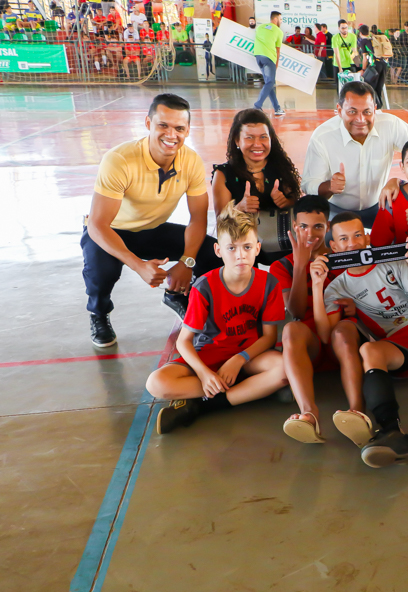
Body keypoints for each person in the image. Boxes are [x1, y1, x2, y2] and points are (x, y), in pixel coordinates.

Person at [82, 94, 220, 347]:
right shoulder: (120, 160)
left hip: (153, 229)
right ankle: (99, 313)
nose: (171, 134)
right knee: (103, 272)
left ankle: (180, 295)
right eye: (163, 125)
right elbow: (97, 225)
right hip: (112, 230)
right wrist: (139, 265)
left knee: (213, 252)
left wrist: (187, 261)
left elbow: (198, 218)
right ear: (148, 123)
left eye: (179, 128)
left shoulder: (190, 161)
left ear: (188, 130)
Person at [310, 213, 408, 467]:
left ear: (367, 238)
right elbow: (326, 335)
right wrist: (316, 286)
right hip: (399, 342)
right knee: (369, 350)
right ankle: (392, 431)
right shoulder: (336, 287)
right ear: (333, 247)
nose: (352, 243)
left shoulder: (392, 261)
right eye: (344, 239)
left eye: (358, 235)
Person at [146, 206, 288, 435]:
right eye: (231, 248)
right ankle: (248, 389)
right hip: (209, 355)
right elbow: (184, 341)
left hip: (249, 356)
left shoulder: (269, 283)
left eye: (247, 247)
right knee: (156, 383)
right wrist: (204, 373)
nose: (240, 255)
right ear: (218, 250)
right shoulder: (204, 286)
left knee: (285, 369)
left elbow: (269, 337)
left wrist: (239, 360)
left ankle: (202, 404)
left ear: (257, 248)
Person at [301, 81, 408, 228]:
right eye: (352, 112)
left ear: (374, 109)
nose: (360, 119)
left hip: (379, 207)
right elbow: (309, 184)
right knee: (335, 242)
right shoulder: (322, 136)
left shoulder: (390, 125)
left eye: (367, 112)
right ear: (340, 110)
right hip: (337, 212)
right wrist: (329, 186)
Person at [274, 196, 337, 444]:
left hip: (340, 338)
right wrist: (300, 266)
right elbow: (297, 311)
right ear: (294, 227)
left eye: (318, 226)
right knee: (291, 329)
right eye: (303, 227)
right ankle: (309, 413)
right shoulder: (282, 266)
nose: (310, 234)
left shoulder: (341, 256)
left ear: (328, 226)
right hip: (309, 346)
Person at [212, 108, 301, 263]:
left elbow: (295, 202)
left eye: (263, 137)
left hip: (280, 243)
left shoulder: (280, 166)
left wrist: (285, 202)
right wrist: (238, 208)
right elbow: (221, 221)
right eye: (249, 138)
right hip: (243, 246)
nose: (257, 144)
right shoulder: (223, 174)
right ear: (237, 140)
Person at [253, 11, 285, 116]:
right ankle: (257, 106)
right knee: (270, 82)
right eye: (280, 19)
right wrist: (276, 64)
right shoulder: (279, 31)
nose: (281, 21)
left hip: (258, 56)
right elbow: (278, 50)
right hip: (269, 58)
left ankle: (277, 108)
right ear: (275, 19)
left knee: (269, 83)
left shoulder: (260, 27)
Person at [332, 19, 358, 84]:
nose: (345, 30)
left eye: (346, 27)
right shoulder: (335, 38)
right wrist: (340, 68)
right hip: (338, 64)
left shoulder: (353, 36)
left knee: (352, 85)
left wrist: (357, 65)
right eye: (343, 28)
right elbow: (336, 53)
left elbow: (354, 51)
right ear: (339, 28)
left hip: (350, 63)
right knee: (339, 85)